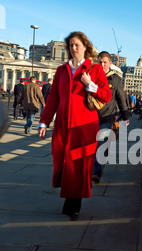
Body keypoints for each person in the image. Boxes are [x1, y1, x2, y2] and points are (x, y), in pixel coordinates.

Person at [38, 32, 112, 221]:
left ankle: (74, 206)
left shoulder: (94, 69)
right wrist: (44, 121)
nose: (74, 48)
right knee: (64, 163)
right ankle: (70, 202)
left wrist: (90, 85)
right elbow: (53, 98)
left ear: (85, 47)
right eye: (71, 45)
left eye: (77, 44)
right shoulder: (62, 71)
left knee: (79, 166)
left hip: (85, 127)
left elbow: (106, 95)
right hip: (63, 126)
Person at [92, 51, 130, 184]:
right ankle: (97, 168)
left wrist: (125, 116)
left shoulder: (115, 79)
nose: (102, 64)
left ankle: (96, 173)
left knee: (100, 145)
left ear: (110, 63)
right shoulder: (93, 77)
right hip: (92, 116)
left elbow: (120, 98)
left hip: (108, 117)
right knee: (95, 146)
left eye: (105, 62)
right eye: (100, 62)